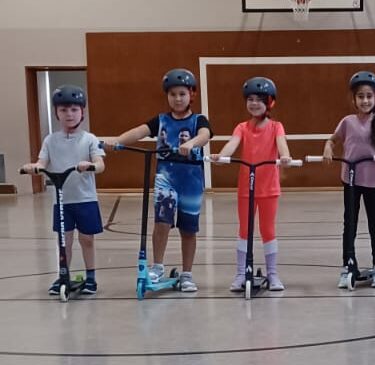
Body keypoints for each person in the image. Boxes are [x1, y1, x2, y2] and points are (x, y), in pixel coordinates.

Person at [104, 68, 212, 292]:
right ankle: (158, 266)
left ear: (191, 94)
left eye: (182, 94)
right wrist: (117, 141)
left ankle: (187, 274)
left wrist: (191, 143)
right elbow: (139, 131)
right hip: (166, 177)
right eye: (172, 94)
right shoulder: (161, 120)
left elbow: (205, 135)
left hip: (191, 179)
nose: (177, 99)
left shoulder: (198, 120)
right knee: (161, 221)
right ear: (167, 96)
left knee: (188, 229)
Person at [210, 76, 293, 292]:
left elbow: (282, 145)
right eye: (250, 99)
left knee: (267, 230)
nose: (254, 103)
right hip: (246, 188)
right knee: (244, 230)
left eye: (259, 99)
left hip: (269, 188)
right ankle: (240, 273)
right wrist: (221, 155)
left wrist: (285, 156)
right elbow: (232, 144)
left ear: (269, 102)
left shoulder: (276, 127)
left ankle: (272, 274)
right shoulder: (242, 127)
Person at [22, 85, 106, 295]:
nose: (69, 114)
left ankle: (91, 278)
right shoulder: (50, 140)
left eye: (74, 109)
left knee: (87, 239)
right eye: (63, 110)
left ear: (82, 112)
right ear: (56, 113)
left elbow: (100, 164)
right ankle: (63, 275)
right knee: (63, 241)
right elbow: (42, 162)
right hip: (62, 200)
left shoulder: (90, 139)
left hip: (85, 199)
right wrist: (34, 167)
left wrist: (90, 165)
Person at [324, 71, 375, 288]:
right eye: (360, 96)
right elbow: (332, 140)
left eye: (369, 96)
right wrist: (328, 147)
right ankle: (348, 264)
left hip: (374, 181)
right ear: (354, 99)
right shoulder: (347, 122)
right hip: (351, 180)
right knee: (350, 224)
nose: (365, 100)